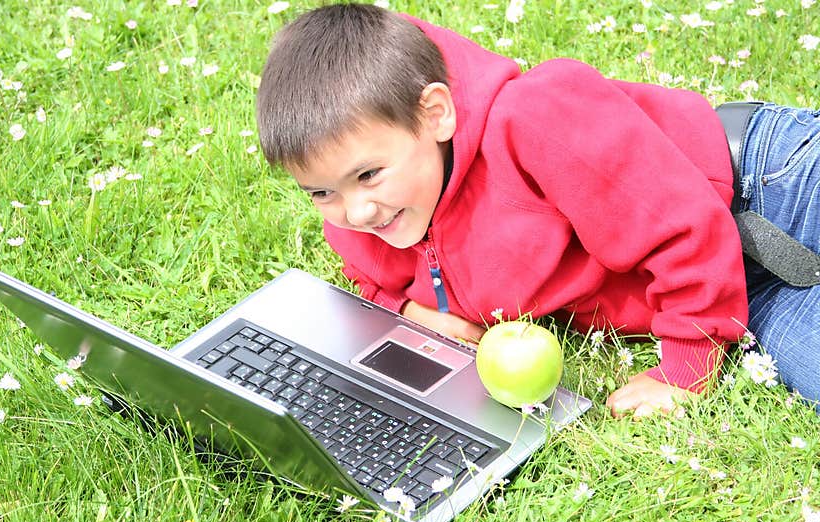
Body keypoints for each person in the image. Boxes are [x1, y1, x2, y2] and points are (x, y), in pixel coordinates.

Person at [255, 2, 820, 417]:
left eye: (368, 175)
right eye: (321, 192)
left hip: (763, 180)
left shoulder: (534, 120)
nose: (355, 213)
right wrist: (408, 310)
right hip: (739, 283)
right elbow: (372, 280)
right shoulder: (373, 216)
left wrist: (683, 370)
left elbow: (682, 226)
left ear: (435, 115)